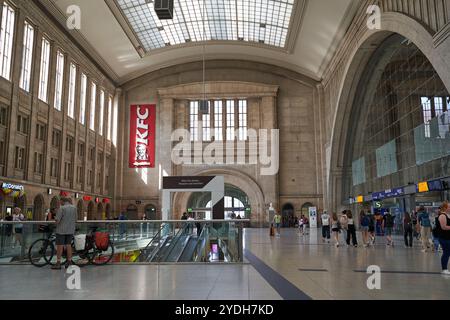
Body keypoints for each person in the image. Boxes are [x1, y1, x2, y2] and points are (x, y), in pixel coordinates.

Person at [51, 198, 77, 270]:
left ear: (63, 201)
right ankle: (69, 261)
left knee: (60, 246)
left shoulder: (62, 208)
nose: (60, 203)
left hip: (61, 230)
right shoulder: (74, 208)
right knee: (68, 245)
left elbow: (57, 220)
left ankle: (58, 263)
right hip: (70, 230)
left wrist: (54, 223)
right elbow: (76, 219)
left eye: (60, 202)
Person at [435, 202, 450, 275]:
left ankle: (445, 268)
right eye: (449, 207)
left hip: (448, 237)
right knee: (446, 253)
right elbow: (443, 227)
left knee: (447, 252)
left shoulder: (448, 215)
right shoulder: (442, 216)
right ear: (445, 208)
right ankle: (444, 269)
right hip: (444, 238)